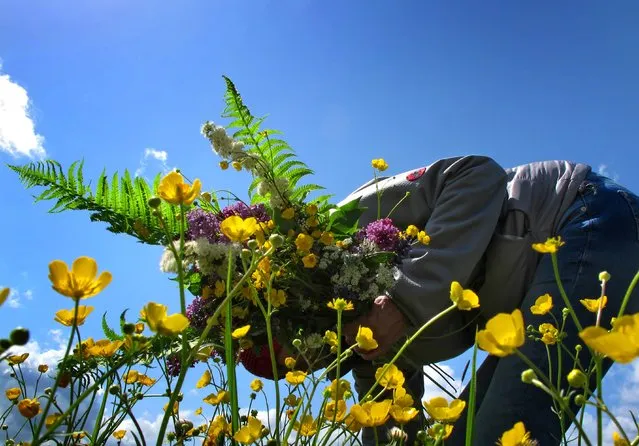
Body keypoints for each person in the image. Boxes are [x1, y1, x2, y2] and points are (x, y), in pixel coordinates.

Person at [243, 155, 639, 445]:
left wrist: (401, 297)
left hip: (586, 216)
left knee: (499, 433)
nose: (314, 363)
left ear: (293, 305)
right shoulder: (357, 344)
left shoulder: (335, 231)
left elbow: (476, 173)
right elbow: (389, 422)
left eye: (298, 353)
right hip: (532, 296)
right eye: (301, 366)